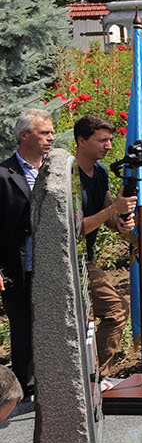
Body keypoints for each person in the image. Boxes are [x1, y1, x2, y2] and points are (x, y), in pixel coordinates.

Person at [70, 114, 136, 372]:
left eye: (110, 140)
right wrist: (112, 211)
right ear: (81, 140)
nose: (108, 146)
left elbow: (107, 210)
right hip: (68, 261)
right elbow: (74, 230)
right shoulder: (69, 177)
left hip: (86, 260)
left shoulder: (99, 171)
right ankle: (85, 379)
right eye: (102, 140)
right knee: (84, 323)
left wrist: (119, 221)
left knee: (116, 311)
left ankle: (96, 375)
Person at [0, 109, 49, 393]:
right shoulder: (4, 175)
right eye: (43, 133)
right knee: (22, 329)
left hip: (54, 265)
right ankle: (26, 389)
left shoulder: (57, 171)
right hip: (19, 267)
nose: (50, 138)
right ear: (24, 135)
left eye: (51, 132)